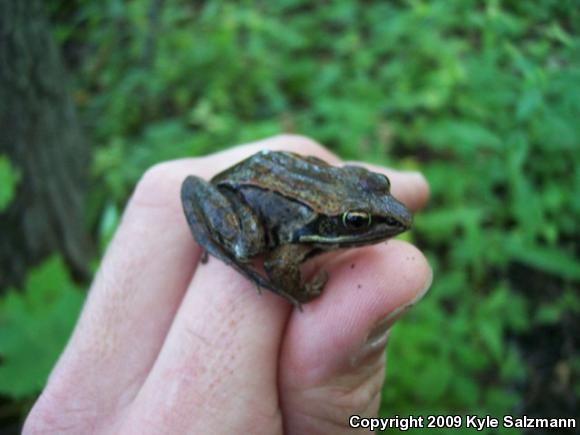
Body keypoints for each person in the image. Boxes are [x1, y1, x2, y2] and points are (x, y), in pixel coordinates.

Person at [23, 135, 432, 434]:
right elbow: (277, 262)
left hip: (265, 171)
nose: (384, 219)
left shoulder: (340, 194)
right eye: (357, 223)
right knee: (247, 243)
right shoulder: (297, 239)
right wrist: (300, 291)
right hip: (244, 193)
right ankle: (215, 241)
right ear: (333, 224)